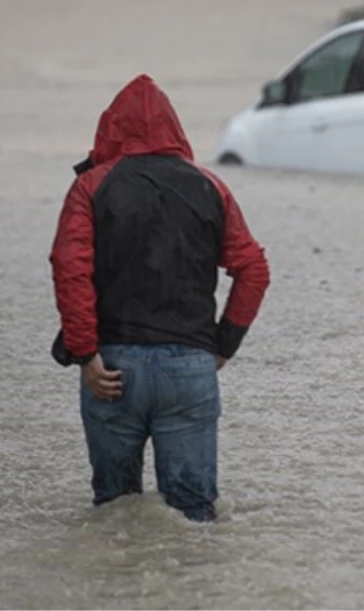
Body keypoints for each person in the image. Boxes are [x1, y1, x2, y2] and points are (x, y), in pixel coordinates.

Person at [49, 74, 270, 523]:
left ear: (109, 129)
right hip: (189, 366)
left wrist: (85, 352)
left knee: (114, 515)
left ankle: (118, 593)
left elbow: (69, 270)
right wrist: (223, 345)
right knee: (193, 519)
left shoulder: (91, 187)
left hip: (112, 367)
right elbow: (254, 270)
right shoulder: (210, 186)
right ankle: (196, 594)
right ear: (175, 129)